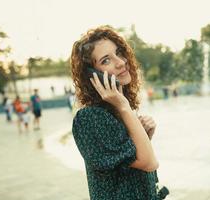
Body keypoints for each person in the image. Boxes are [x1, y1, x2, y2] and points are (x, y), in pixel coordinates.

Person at [71, 26, 166, 200]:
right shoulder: (90, 118)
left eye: (119, 53)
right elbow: (150, 163)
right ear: (92, 75)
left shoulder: (117, 111)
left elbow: (129, 165)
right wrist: (123, 105)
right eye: (106, 60)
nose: (121, 62)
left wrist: (144, 136)